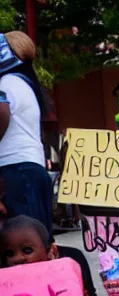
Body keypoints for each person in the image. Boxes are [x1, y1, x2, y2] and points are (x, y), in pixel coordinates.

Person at [0, 32, 52, 236]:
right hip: (30, 168)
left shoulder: (6, 83)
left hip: (15, 170)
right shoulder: (24, 83)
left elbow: (2, 113)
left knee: (22, 237)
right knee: (37, 238)